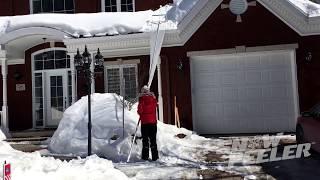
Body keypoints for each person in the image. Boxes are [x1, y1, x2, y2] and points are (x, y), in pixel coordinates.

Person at [137, 85, 159, 161]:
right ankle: (155, 157)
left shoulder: (142, 99)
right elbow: (155, 106)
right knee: (153, 140)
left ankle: (145, 157)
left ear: (142, 92)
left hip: (145, 123)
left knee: (145, 140)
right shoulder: (153, 99)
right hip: (153, 123)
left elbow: (140, 111)